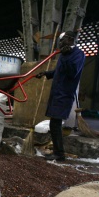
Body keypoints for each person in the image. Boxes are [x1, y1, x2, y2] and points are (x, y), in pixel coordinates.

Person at [36, 30, 85, 161]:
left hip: (64, 94)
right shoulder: (65, 54)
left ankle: (59, 154)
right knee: (54, 123)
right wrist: (46, 73)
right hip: (57, 93)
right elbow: (59, 71)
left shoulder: (78, 54)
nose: (60, 43)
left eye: (62, 40)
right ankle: (58, 152)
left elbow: (72, 72)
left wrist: (67, 55)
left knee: (55, 123)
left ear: (70, 39)